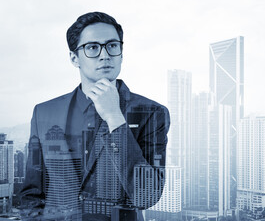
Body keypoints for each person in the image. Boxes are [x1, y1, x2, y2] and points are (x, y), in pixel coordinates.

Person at [19, 12, 170, 221]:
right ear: (74, 58)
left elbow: (147, 196)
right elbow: (31, 194)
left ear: (121, 54)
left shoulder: (152, 113)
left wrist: (114, 117)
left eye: (112, 46)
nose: (104, 55)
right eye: (92, 47)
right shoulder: (44, 112)